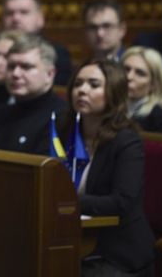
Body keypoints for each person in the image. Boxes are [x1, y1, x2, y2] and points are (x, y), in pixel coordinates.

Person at [61, 59, 155, 276]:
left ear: (113, 92)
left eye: (93, 85)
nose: (82, 90)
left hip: (115, 249)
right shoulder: (63, 132)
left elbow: (121, 201)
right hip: (71, 236)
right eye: (78, 84)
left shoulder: (126, 141)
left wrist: (67, 202)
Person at [0, 35, 66, 154]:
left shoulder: (62, 118)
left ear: (49, 74)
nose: (15, 74)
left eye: (26, 67)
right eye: (11, 66)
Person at [121, 47, 162, 134]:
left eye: (140, 73)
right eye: (126, 69)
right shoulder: (104, 107)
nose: (129, 77)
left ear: (154, 84)